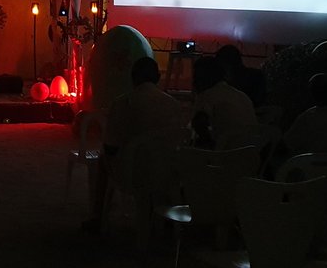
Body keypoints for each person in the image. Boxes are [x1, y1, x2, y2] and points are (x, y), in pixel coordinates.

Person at [82, 57, 183, 233]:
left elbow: (110, 146)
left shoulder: (122, 103)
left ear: (132, 77)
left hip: (130, 172)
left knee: (102, 160)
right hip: (164, 170)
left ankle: (97, 216)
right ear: (158, 77)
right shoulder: (173, 105)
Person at [190, 56, 256, 149]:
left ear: (201, 77)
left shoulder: (207, 96)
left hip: (226, 152)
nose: (194, 81)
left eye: (195, 76)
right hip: (251, 152)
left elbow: (199, 124)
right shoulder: (241, 95)